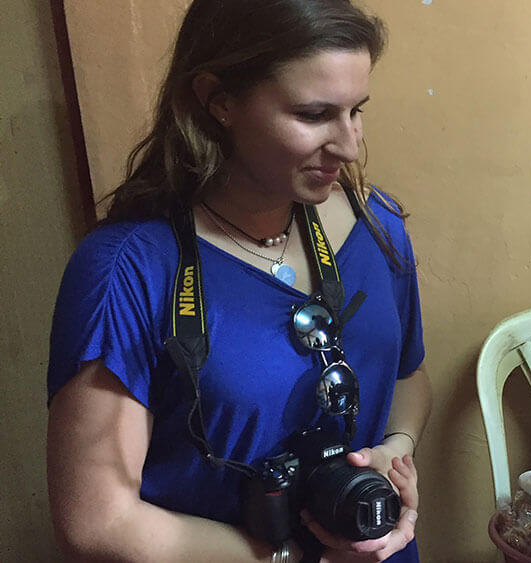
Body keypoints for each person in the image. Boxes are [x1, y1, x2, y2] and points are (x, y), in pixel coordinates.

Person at [46, 1, 431, 561]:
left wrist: (394, 454)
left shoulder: (378, 225)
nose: (348, 146)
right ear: (218, 100)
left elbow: (407, 374)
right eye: (313, 114)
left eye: (356, 111)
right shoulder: (128, 269)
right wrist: (293, 558)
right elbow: (96, 521)